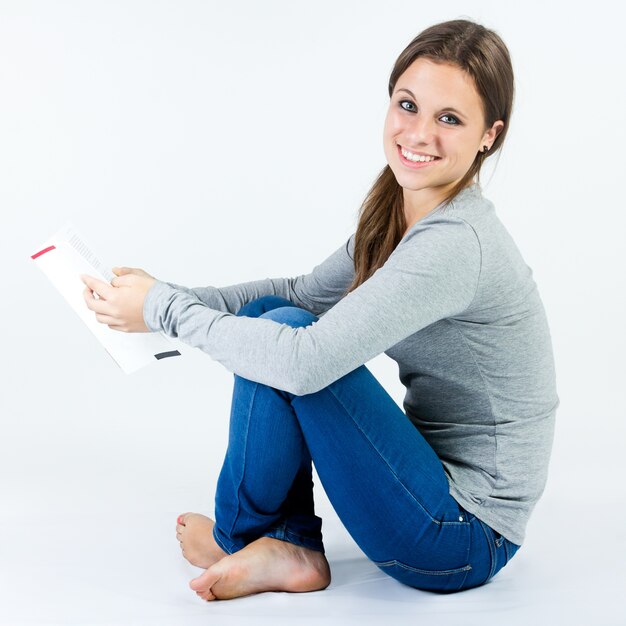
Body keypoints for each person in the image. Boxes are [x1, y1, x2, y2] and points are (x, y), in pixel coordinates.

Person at [80, 18, 559, 601]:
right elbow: (301, 297)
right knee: (271, 312)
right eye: (408, 105)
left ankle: (254, 541)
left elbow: (306, 362)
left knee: (286, 339)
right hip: (431, 492)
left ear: (489, 135)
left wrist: (163, 309)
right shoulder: (397, 214)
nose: (419, 133)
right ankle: (278, 543)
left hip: (462, 537)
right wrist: (160, 293)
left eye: (450, 119)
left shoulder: (457, 243)